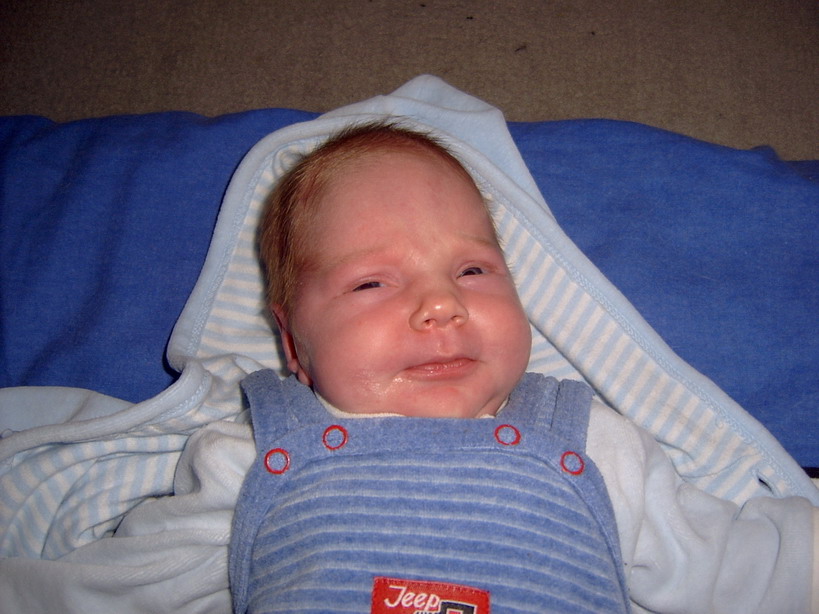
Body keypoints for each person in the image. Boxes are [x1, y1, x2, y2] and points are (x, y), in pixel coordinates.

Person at [229, 121, 817, 613]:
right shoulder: (248, 455)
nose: (442, 304)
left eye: (472, 271)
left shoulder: (592, 447)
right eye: (371, 282)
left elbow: (740, 568)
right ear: (292, 343)